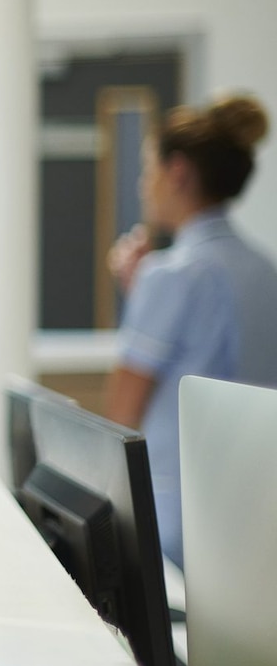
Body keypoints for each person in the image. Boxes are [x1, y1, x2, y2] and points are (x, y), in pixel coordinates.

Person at [105, 93, 277, 567]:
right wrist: (144, 293)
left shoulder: (173, 275)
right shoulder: (265, 271)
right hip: (257, 510)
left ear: (177, 172)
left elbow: (121, 416)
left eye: (148, 170)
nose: (144, 185)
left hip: (178, 521)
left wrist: (143, 296)